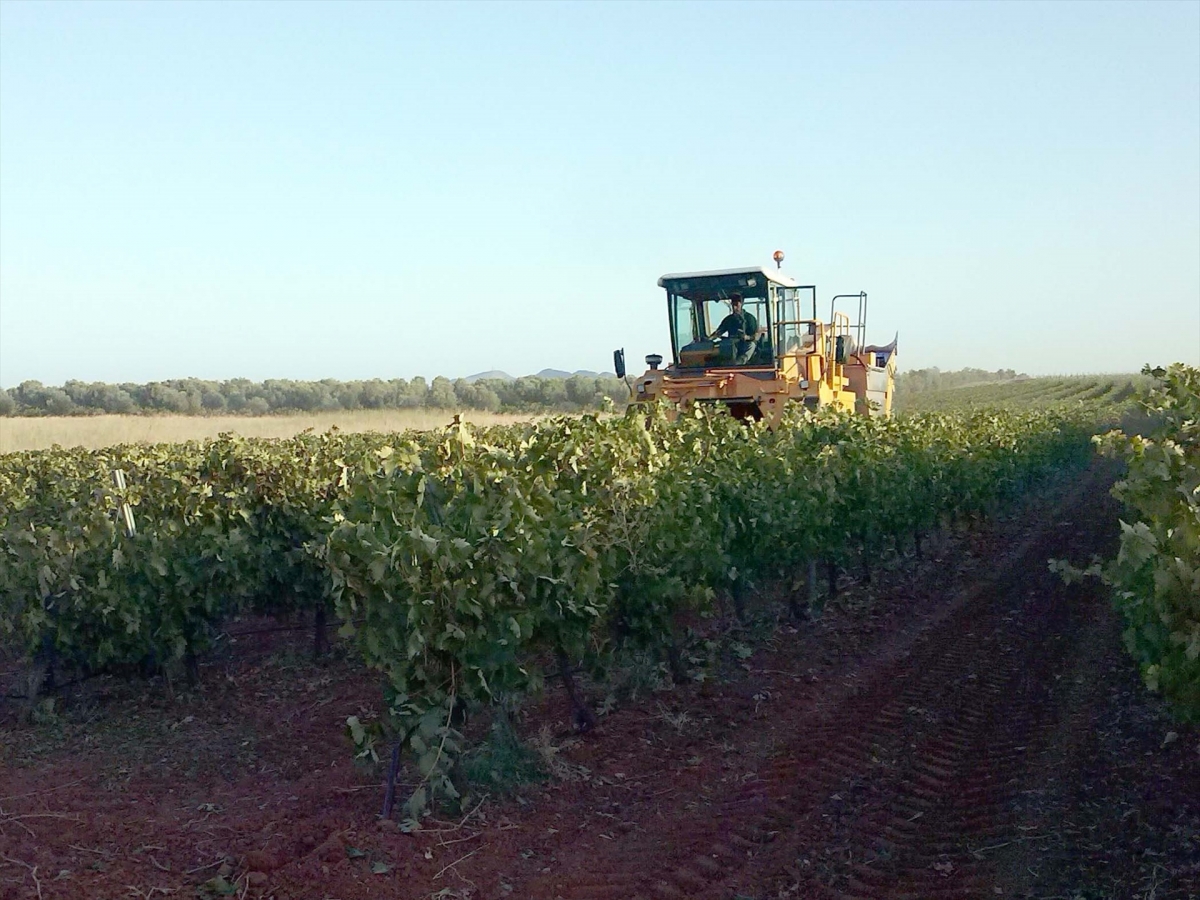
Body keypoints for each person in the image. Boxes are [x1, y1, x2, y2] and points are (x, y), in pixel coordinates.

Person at [712, 294, 760, 365]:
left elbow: (756, 336)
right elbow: (718, 332)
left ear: (741, 304)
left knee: (752, 345)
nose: (734, 308)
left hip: (745, 344)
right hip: (731, 345)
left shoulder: (750, 318)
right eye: (733, 305)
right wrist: (709, 338)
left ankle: (740, 361)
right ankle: (724, 364)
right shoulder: (728, 319)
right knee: (722, 345)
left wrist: (747, 337)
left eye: (736, 305)